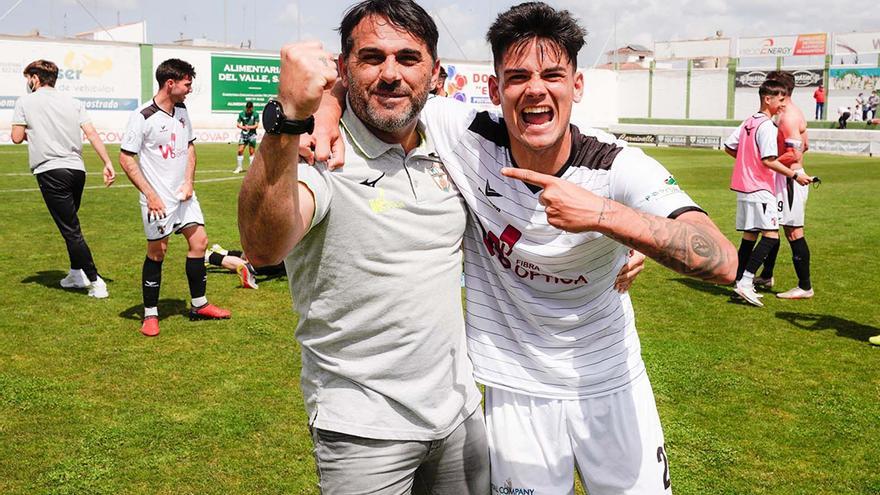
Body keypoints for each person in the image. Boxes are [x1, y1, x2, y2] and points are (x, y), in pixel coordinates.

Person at [308, 3, 736, 492]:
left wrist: (605, 217)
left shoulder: (617, 166)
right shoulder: (462, 133)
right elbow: (379, 82)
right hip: (515, 392)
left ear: (577, 85)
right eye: (517, 77)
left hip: (611, 380)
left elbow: (722, 259)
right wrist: (326, 109)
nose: (535, 89)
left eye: (553, 74)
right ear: (495, 89)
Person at [238, 2, 490, 493]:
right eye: (372, 57)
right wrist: (291, 117)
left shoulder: (452, 142)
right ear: (344, 67)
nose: (391, 74)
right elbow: (262, 247)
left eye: (408, 58)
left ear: (435, 73)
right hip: (363, 429)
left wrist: (612, 236)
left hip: (460, 412)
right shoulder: (323, 153)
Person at [119, 58, 231, 337]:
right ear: (171, 83)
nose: (190, 89)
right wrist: (150, 195)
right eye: (187, 83)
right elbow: (125, 158)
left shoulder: (182, 110)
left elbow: (190, 148)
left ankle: (199, 305)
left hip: (184, 197)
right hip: (157, 201)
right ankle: (150, 314)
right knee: (158, 253)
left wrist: (189, 182)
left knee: (200, 242)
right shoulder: (143, 116)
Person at [11, 59, 116, 299]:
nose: (28, 83)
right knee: (72, 226)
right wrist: (107, 162)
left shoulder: (25, 102)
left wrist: (37, 135)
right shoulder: (73, 101)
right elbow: (91, 133)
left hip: (51, 171)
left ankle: (95, 280)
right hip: (77, 171)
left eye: (28, 78)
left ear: (35, 78)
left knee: (70, 230)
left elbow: (16, 137)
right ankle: (75, 273)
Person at [725, 79, 812, 307]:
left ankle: (739, 281)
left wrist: (748, 163)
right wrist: (795, 176)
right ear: (768, 99)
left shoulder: (748, 121)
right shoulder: (766, 126)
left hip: (744, 187)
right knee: (771, 237)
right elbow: (769, 161)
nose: (783, 105)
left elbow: (728, 146)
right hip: (760, 188)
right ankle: (745, 282)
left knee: (749, 236)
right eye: (780, 100)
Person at [754, 71, 815, 299]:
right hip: (787, 176)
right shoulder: (791, 113)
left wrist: (770, 163)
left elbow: (795, 152)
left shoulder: (788, 116)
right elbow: (805, 145)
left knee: (793, 232)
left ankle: (805, 286)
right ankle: (767, 275)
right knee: (772, 226)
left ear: (782, 90)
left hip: (790, 179)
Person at [233, 101, 259, 173]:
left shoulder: (256, 114)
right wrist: (243, 127)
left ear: (252, 108)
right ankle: (239, 167)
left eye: (250, 109)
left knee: (251, 152)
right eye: (247, 109)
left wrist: (249, 127)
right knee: (240, 150)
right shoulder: (241, 114)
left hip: (252, 135)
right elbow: (238, 124)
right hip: (244, 135)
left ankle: (251, 169)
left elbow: (256, 125)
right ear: (246, 108)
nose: (248, 111)